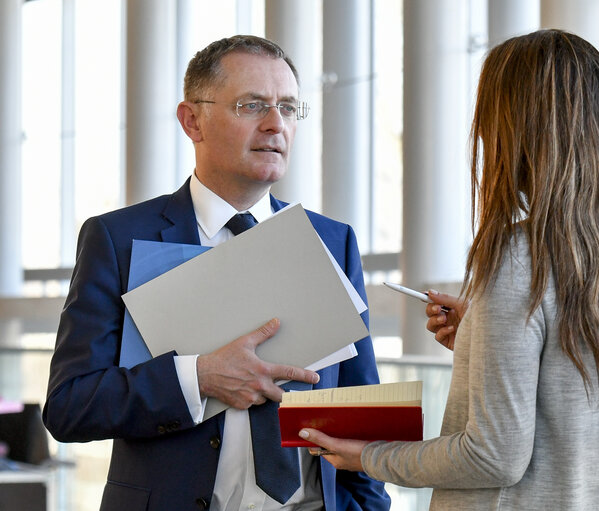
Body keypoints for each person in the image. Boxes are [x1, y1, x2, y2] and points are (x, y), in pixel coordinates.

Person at [300, 29, 599, 510]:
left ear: (515, 129)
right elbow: (576, 393)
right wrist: (480, 339)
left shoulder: (517, 254)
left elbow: (492, 457)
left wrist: (373, 456)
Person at [43, 35, 390, 511]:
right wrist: (198, 377)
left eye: (289, 108)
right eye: (252, 105)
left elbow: (359, 406)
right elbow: (70, 407)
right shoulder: (117, 238)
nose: (275, 125)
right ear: (192, 121)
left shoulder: (332, 240)